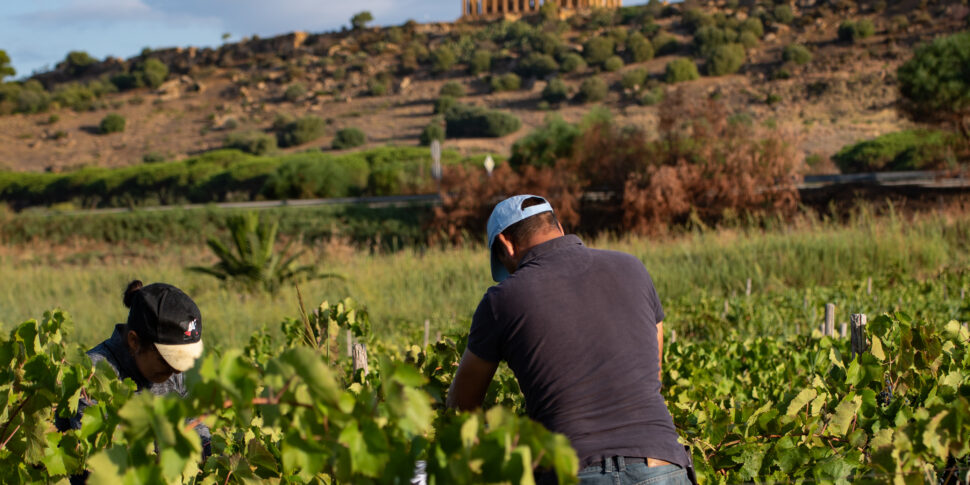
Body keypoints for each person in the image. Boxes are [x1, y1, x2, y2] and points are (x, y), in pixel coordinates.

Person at [446, 195, 694, 485]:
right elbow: (655, 372)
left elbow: (462, 405)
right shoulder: (633, 268)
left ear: (505, 244)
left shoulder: (501, 300)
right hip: (662, 465)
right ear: (559, 226)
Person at [56, 280, 211, 481]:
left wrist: (211, 453)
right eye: (168, 360)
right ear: (134, 341)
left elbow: (194, 426)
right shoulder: (92, 376)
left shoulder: (175, 372)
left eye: (183, 360)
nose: (176, 370)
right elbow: (109, 465)